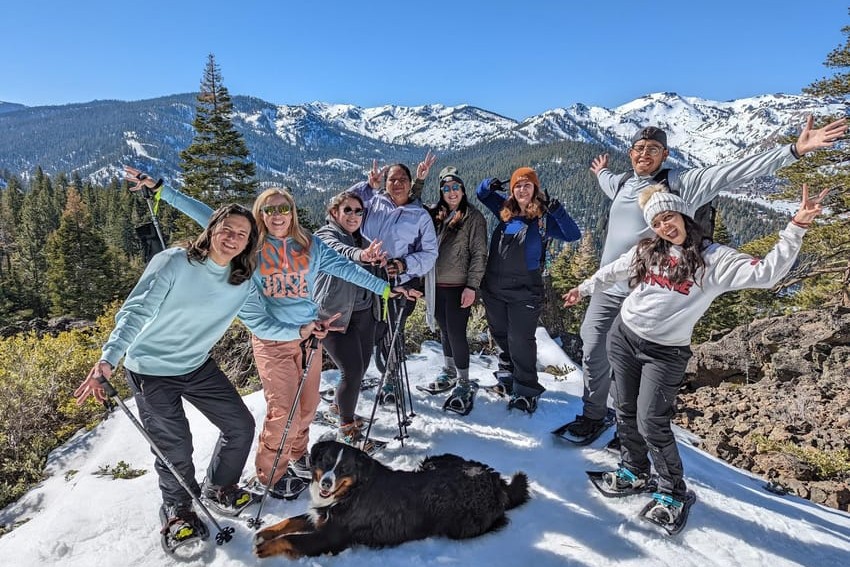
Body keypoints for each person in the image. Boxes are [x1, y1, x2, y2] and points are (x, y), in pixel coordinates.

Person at [564, 115, 848, 444]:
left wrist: (794, 150)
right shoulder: (624, 183)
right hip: (610, 286)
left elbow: (734, 170)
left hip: (651, 290)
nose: (644, 154)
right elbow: (607, 182)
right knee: (594, 346)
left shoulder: (684, 183)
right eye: (638, 148)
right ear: (630, 153)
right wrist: (600, 171)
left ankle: (634, 433)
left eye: (653, 149)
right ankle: (594, 414)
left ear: (665, 155)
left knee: (639, 363)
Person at [562, 183, 828, 527]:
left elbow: (766, 274)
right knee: (625, 410)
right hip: (624, 336)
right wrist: (582, 289)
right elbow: (612, 270)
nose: (664, 227)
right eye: (656, 222)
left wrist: (797, 227)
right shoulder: (647, 250)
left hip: (665, 352)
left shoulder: (713, 259)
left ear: (684, 214)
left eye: (669, 217)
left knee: (651, 420)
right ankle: (634, 469)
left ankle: (672, 491)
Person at [125, 167, 391, 500]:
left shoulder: (309, 244)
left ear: (292, 212)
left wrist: (384, 289)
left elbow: (346, 268)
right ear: (260, 215)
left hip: (310, 339)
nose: (277, 215)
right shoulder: (252, 245)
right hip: (272, 341)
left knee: (307, 408)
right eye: (269, 209)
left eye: (284, 208)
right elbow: (207, 216)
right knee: (284, 412)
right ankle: (270, 474)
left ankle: (297, 456)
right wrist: (163, 190)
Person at [73, 203, 306, 546]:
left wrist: (302, 330)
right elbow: (136, 311)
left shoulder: (240, 282)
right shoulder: (175, 262)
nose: (232, 238)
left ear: (248, 243)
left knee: (240, 426)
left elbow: (263, 323)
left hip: (195, 365)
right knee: (175, 446)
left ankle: (220, 487)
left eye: (242, 234)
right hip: (150, 370)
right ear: (211, 229)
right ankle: (178, 510)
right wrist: (110, 357)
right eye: (227, 229)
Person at [476, 167, 581, 413]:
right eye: (517, 186)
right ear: (512, 190)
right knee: (500, 334)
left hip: (526, 287)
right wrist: (489, 183)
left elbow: (573, 234)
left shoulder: (544, 219)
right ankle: (507, 379)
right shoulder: (505, 211)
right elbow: (482, 194)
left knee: (521, 339)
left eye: (527, 185)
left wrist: (558, 211)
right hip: (494, 285)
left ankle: (526, 390)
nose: (522, 190)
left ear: (536, 189)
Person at [348, 154, 439, 403]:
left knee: (391, 331)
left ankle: (390, 378)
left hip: (400, 283)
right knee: (365, 331)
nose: (397, 183)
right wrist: (368, 186)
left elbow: (430, 253)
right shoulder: (372, 204)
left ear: (411, 184)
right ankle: (356, 375)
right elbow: (341, 207)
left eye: (402, 179)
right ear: (385, 183)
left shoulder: (419, 215)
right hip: (365, 280)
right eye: (392, 179)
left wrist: (403, 264)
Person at [313, 189, 389, 446]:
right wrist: (362, 256)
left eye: (359, 211)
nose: (354, 215)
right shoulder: (325, 236)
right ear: (334, 213)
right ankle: (346, 428)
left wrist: (376, 260)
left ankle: (338, 408)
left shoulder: (360, 238)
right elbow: (337, 252)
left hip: (363, 312)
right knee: (353, 370)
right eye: (348, 210)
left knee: (362, 365)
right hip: (332, 316)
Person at [419, 166, 488, 415]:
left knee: (457, 333)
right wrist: (419, 180)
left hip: (460, 286)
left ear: (463, 189)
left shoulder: (473, 218)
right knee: (445, 331)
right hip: (435, 284)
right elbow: (410, 205)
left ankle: (464, 380)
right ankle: (449, 370)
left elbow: (479, 254)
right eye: (446, 188)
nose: (451, 192)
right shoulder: (434, 215)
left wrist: (472, 286)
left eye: (455, 187)